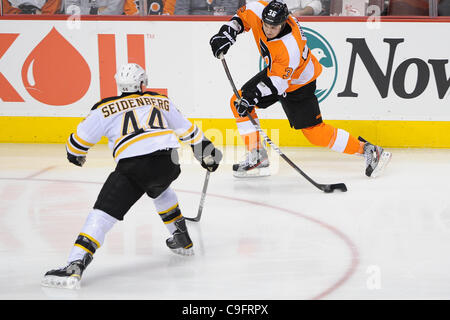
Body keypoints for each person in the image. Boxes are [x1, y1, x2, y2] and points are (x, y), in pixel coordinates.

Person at [41, 63, 222, 289]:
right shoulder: (160, 99)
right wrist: (208, 154)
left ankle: (74, 264)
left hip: (134, 166)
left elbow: (76, 145)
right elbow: (188, 130)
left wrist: (76, 156)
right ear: (143, 83)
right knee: (160, 187)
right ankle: (181, 238)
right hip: (169, 162)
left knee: (103, 213)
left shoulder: (104, 107)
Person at [209, 0, 391, 178]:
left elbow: (277, 84)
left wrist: (253, 96)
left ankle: (369, 149)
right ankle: (257, 155)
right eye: (266, 25)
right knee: (237, 102)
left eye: (274, 27)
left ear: (284, 22)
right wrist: (226, 33)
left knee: (314, 133)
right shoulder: (259, 9)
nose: (268, 30)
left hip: (299, 82)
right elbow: (240, 18)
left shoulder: (290, 47)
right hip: (277, 71)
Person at [175, 0, 246, 15]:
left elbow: (228, 11)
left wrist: (196, 12)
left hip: (222, 29)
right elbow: (180, 12)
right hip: (191, 30)